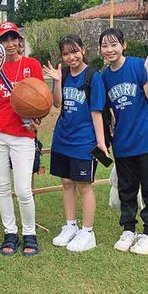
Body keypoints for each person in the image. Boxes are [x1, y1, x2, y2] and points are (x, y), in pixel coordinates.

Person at [0, 21, 44, 257]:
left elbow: (40, 101)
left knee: (23, 189)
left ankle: (30, 234)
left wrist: (37, 120)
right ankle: (10, 233)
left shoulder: (31, 65)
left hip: (23, 134)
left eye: (14, 38)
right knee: (2, 186)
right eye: (4, 40)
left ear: (20, 41)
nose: (11, 44)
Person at [99, 28, 148, 255]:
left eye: (114, 44)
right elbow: (103, 112)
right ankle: (128, 230)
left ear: (123, 45)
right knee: (126, 190)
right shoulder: (104, 76)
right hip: (124, 142)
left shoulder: (139, 65)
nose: (109, 50)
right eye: (105, 46)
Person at [42, 34, 108, 252]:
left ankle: (88, 232)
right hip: (63, 139)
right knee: (66, 183)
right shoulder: (64, 75)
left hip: (84, 141)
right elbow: (57, 104)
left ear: (83, 50)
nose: (71, 57)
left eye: (74, 51)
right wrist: (57, 81)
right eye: (66, 53)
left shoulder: (93, 76)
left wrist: (100, 143)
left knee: (84, 186)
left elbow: (97, 111)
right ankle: (71, 226)